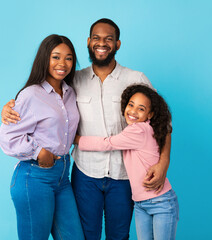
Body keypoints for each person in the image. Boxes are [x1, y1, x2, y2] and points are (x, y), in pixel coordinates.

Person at [1, 19, 172, 240]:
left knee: (119, 236)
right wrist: (9, 107)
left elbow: (162, 122)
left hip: (122, 175)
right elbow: (40, 100)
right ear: (89, 42)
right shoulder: (74, 81)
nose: (102, 44)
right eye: (97, 38)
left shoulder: (134, 79)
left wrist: (163, 162)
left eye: (109, 39)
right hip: (85, 175)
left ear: (117, 44)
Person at [0, 34, 84, 240]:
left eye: (69, 58)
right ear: (44, 59)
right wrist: (39, 152)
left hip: (63, 177)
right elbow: (7, 136)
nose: (62, 63)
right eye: (55, 57)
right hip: (34, 177)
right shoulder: (31, 94)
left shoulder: (71, 92)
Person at [75, 84, 179, 240]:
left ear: (149, 114)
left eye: (141, 109)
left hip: (161, 202)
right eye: (131, 105)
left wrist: (76, 139)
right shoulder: (145, 128)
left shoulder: (139, 130)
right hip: (140, 204)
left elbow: (107, 143)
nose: (133, 111)